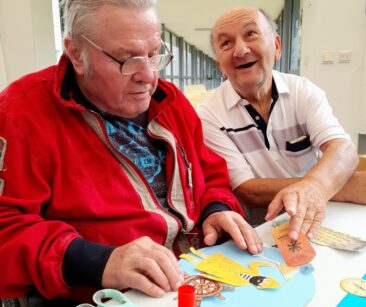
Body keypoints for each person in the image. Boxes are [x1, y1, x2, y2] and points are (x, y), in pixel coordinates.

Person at [0, 1, 263, 305]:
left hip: (199, 276)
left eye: (154, 55)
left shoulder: (171, 102)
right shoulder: (20, 115)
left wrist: (215, 210)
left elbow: (211, 175)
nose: (148, 76)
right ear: (75, 54)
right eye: (127, 59)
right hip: (109, 295)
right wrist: (99, 261)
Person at [197, 7, 366, 241]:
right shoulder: (208, 116)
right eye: (226, 43)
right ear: (220, 66)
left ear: (276, 46)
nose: (241, 50)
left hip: (322, 219)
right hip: (259, 235)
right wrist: (341, 188)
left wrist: (316, 188)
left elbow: (342, 148)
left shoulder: (302, 91)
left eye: (251, 34)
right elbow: (246, 190)